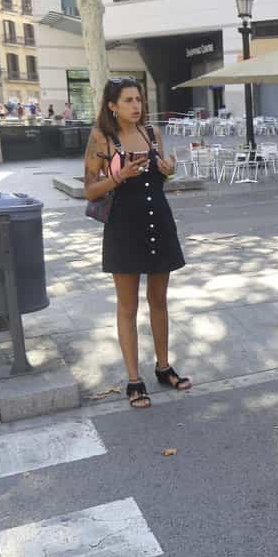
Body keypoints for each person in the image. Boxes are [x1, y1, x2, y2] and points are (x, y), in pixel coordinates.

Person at [82, 77, 189, 409]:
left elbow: (162, 178)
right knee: (127, 307)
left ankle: (163, 366)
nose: (136, 106)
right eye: (128, 100)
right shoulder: (102, 139)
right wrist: (117, 177)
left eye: (139, 99)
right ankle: (133, 379)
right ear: (112, 106)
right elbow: (89, 190)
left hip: (159, 224)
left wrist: (168, 171)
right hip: (123, 230)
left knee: (159, 300)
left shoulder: (152, 135)